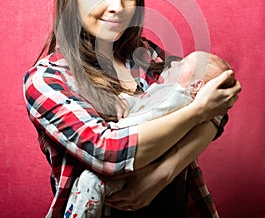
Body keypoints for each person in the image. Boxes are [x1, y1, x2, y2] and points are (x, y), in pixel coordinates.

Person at [23, 0, 241, 218]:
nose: (119, 6)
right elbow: (108, 151)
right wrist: (198, 111)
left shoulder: (144, 55)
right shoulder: (46, 80)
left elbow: (221, 98)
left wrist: (163, 174)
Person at [64, 51, 234, 218]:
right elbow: (111, 148)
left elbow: (221, 105)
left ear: (196, 86)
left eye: (183, 64)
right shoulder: (50, 75)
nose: (174, 63)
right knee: (90, 184)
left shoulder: (176, 94)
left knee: (90, 182)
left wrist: (163, 173)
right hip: (125, 170)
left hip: (142, 173)